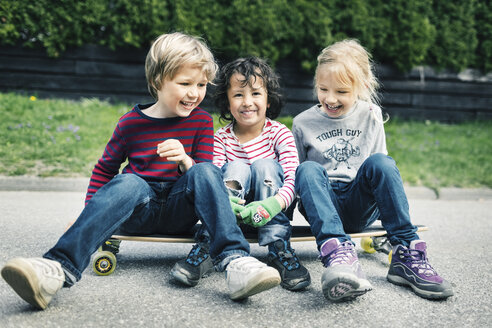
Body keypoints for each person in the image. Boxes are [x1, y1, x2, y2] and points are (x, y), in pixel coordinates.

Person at [1, 32, 281, 310]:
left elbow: (207, 178)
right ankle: (55, 269)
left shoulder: (201, 122)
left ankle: (236, 263)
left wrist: (185, 159)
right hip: (138, 211)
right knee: (129, 181)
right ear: (157, 81)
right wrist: (87, 214)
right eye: (185, 83)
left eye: (201, 84)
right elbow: (103, 171)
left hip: (179, 210)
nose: (195, 93)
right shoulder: (129, 124)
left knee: (205, 170)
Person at [292, 39, 454, 302]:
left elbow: (380, 173)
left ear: (362, 86)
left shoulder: (371, 115)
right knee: (307, 169)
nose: (330, 99)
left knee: (382, 162)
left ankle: (405, 254)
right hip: (322, 203)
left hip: (360, 203)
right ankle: (339, 257)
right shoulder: (302, 122)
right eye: (323, 89)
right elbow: (296, 178)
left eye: (341, 92)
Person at [171, 57, 310, 291]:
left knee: (265, 165)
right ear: (227, 100)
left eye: (256, 93)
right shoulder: (221, 138)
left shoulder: (279, 134)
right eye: (238, 95)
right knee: (236, 168)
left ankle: (279, 248)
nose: (247, 102)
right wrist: (227, 205)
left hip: (270, 215)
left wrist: (272, 205)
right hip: (230, 218)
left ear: (268, 99)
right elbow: (211, 182)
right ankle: (208, 244)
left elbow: (293, 181)